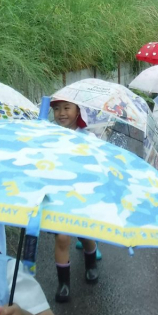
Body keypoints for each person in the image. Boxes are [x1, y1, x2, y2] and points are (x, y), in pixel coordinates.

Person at [49, 98, 100, 303]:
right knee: (62, 237)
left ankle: (91, 263)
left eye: (66, 108)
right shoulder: (50, 135)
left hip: (82, 194)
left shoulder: (88, 138)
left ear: (78, 111)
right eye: (56, 109)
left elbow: (95, 165)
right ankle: (64, 283)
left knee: (85, 234)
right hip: (58, 195)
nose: (61, 113)